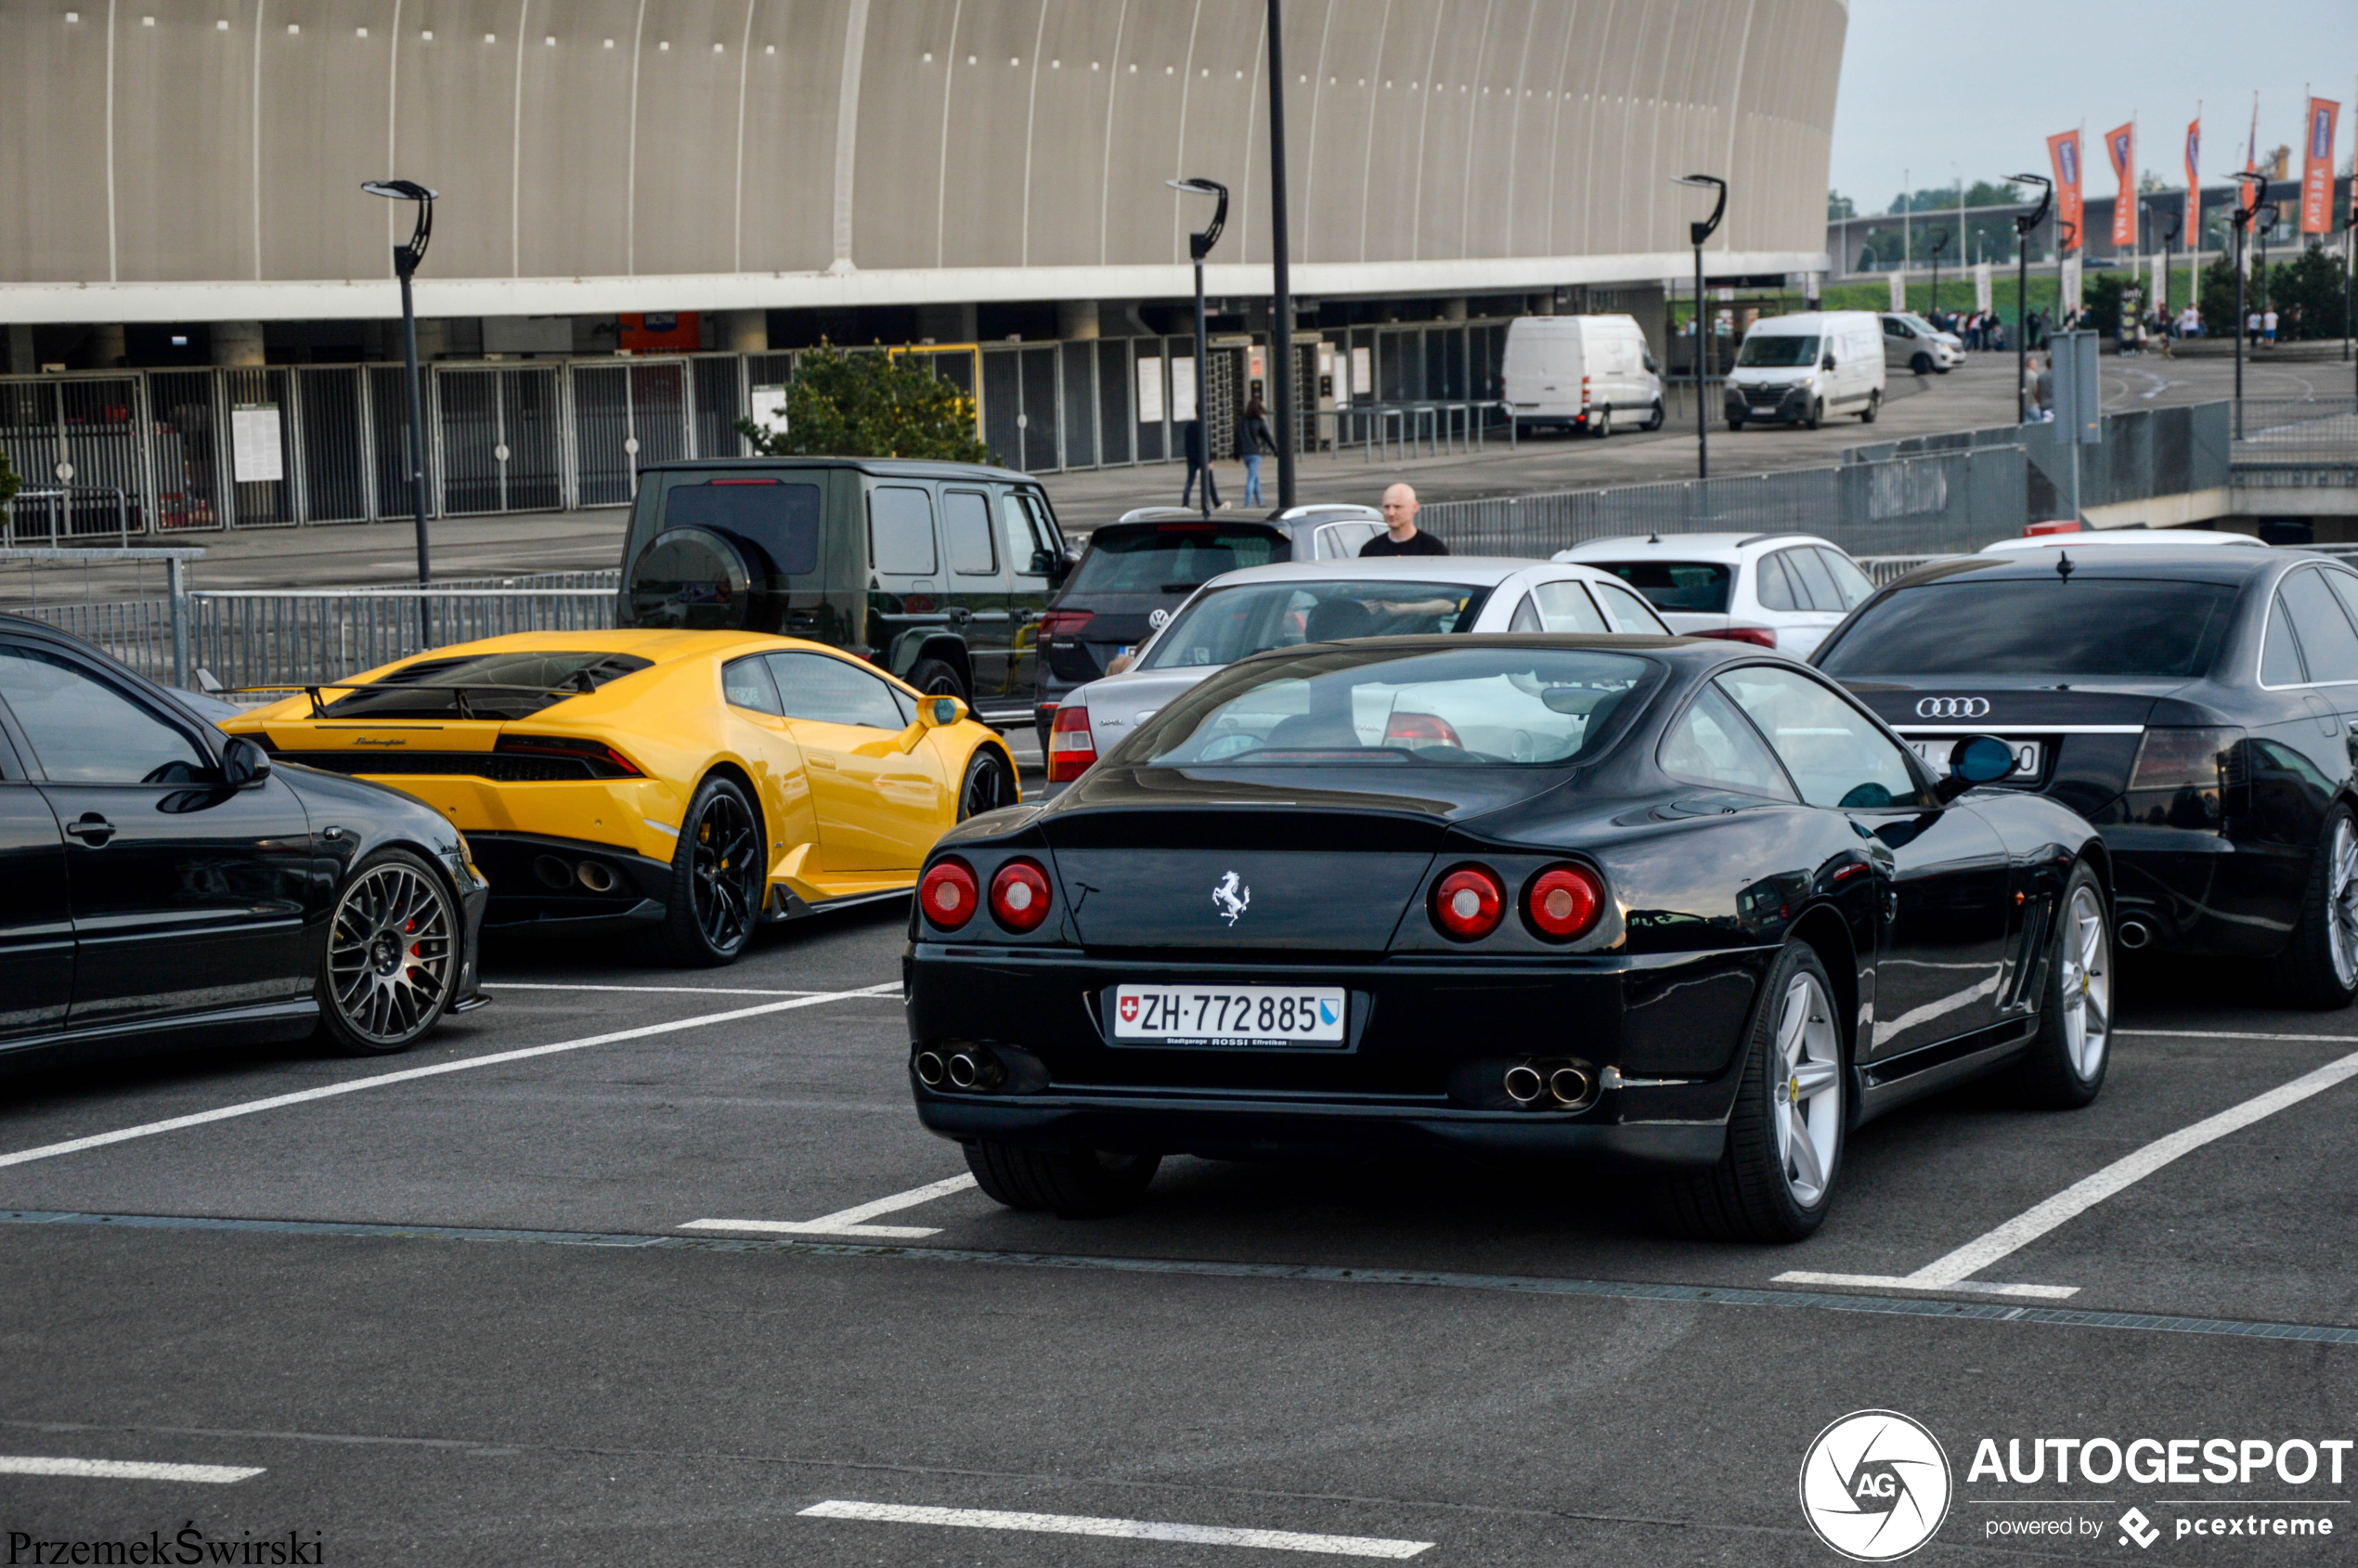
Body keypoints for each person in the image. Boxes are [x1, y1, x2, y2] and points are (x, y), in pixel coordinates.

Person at [1359, 482, 1448, 556]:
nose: (1391, 513)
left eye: (1397, 507)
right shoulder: (1370, 550)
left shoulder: (1433, 549)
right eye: (1387, 507)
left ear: (1415, 507)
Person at [1238, 395, 1274, 508]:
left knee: (1255, 476)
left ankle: (1260, 501)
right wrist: (1275, 449)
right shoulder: (1259, 421)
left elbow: (1237, 437)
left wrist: (1236, 452)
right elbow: (1267, 437)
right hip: (1255, 453)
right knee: (1252, 478)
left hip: (1245, 453)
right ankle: (1247, 504)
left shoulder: (1242, 420)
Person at [1181, 417, 1221, 512]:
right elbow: (1207, 445)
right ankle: (1216, 503)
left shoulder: (1189, 426)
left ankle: (1185, 504)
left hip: (1192, 458)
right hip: (1203, 458)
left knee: (1190, 481)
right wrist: (1209, 460)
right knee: (1209, 481)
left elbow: (1188, 444)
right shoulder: (1204, 426)